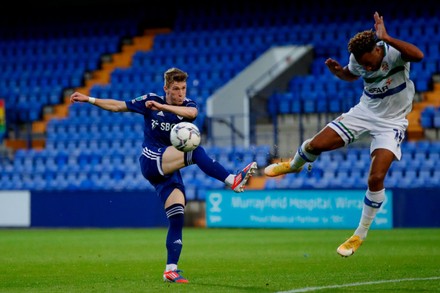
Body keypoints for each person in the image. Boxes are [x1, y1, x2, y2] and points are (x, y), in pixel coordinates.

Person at [70, 67, 258, 283]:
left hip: (169, 169)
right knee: (194, 150)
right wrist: (89, 99)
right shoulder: (149, 100)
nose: (180, 93)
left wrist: (161, 106)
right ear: (166, 88)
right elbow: (118, 106)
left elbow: (193, 114)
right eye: (176, 89)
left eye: (183, 88)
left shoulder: (186, 105)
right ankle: (232, 180)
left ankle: (170, 270)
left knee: (177, 217)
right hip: (151, 160)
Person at [265, 12, 424, 257]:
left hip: (392, 122)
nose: (367, 66)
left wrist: (387, 36)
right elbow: (353, 74)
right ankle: (294, 165)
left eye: (370, 61)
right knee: (315, 145)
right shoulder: (358, 59)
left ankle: (359, 234)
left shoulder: (393, 52)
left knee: (375, 178)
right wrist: (340, 73)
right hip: (365, 111)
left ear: (378, 48)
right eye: (363, 62)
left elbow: (419, 56)